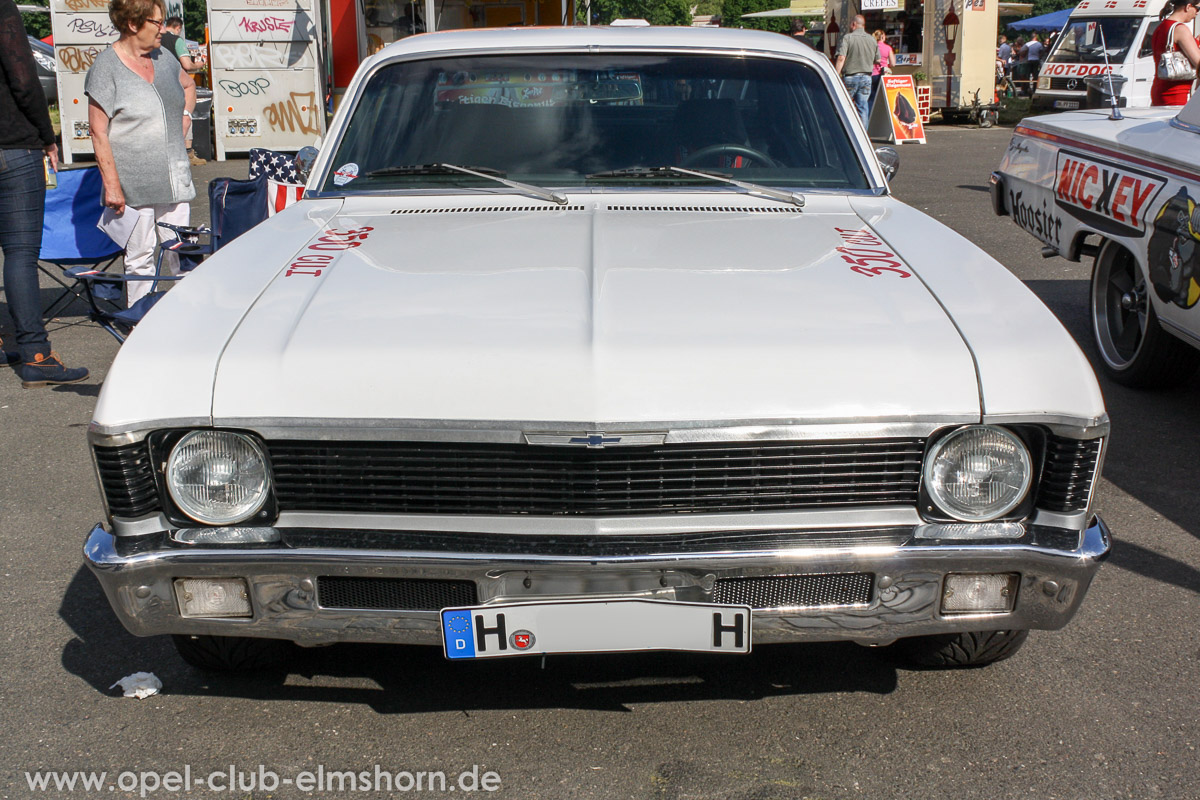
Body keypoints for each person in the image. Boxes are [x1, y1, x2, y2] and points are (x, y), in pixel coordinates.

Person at [0, 0, 89, 387]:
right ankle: (37, 354)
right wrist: (45, 135)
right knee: (20, 252)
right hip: (12, 143)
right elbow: (23, 77)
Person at [86, 0, 196, 306]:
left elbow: (188, 87)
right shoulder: (106, 68)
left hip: (175, 177)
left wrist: (184, 118)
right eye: (156, 23)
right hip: (133, 183)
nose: (163, 30)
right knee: (141, 256)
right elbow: (98, 130)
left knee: (183, 255)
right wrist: (111, 185)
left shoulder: (165, 58)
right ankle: (141, 321)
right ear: (133, 24)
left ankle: (190, 315)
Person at [160, 16, 206, 165]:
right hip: (175, 83)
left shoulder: (154, 38)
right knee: (185, 112)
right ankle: (188, 153)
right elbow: (186, 65)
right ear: (178, 28)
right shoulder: (176, 41)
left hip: (156, 82)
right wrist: (198, 65)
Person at [835, 15, 881, 126]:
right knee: (863, 108)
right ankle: (863, 136)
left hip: (850, 76)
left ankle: (846, 132)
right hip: (866, 77)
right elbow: (878, 60)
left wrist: (836, 75)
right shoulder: (872, 39)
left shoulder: (848, 38)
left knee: (845, 106)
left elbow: (841, 58)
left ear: (854, 24)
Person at [1152, 0, 1200, 105]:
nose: (1197, 13)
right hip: (1176, 94)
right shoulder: (1180, 29)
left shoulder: (1161, 27)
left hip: (1160, 89)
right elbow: (1198, 62)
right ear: (1188, 7)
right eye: (1197, 9)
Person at [870, 29, 895, 108]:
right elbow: (893, 63)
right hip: (883, 74)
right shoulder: (888, 48)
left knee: (871, 98)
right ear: (883, 36)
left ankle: (869, 117)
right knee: (883, 97)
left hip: (871, 73)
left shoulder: (872, 47)